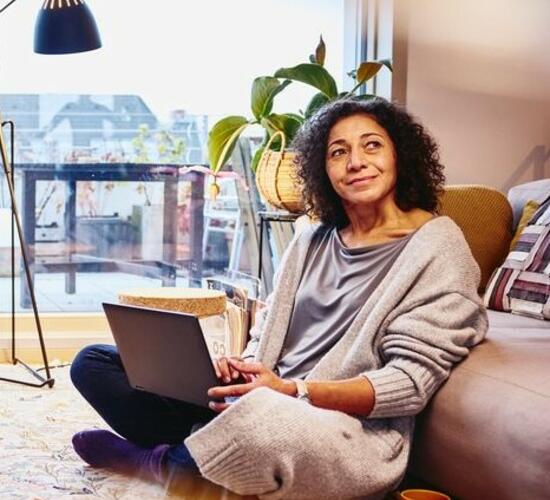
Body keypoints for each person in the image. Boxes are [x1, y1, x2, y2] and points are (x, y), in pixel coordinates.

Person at [70, 97, 488, 499]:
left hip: (338, 425)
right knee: (92, 363)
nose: (356, 162)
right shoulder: (311, 241)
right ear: (323, 170)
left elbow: (409, 383)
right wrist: (242, 370)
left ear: (401, 155)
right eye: (338, 152)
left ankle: (157, 464)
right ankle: (209, 455)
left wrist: (292, 391)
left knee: (262, 423)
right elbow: (267, 335)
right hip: (263, 395)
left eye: (372, 145)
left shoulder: (438, 247)